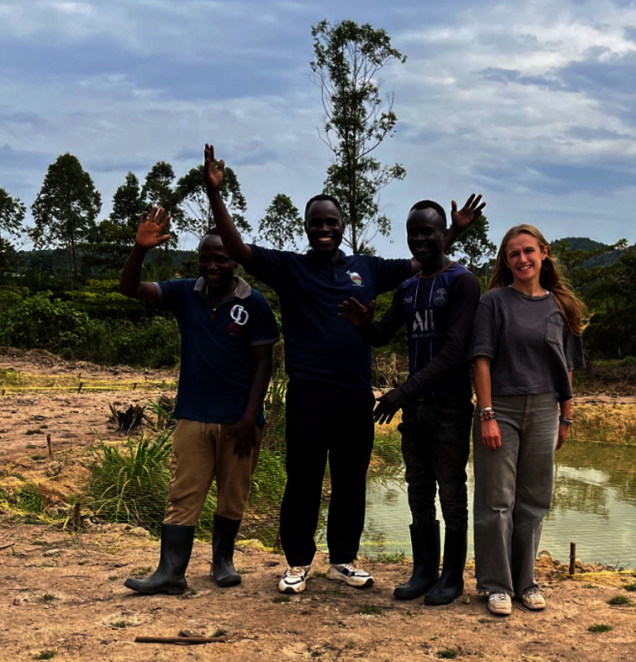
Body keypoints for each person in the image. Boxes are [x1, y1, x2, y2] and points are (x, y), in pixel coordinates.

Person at [201, 144, 483, 594]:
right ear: (307, 228)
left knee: (351, 480)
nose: (325, 229)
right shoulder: (288, 267)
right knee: (303, 479)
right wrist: (216, 194)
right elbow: (235, 248)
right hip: (309, 392)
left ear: (342, 227)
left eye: (332, 222)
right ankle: (296, 562)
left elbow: (425, 257)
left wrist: (455, 232)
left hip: (355, 394)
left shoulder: (367, 268)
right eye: (317, 223)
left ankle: (344, 560)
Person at [119, 207, 279, 595]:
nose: (212, 265)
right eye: (205, 258)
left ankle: (223, 561)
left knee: (233, 495)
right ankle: (170, 571)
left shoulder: (254, 304)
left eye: (220, 258)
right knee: (183, 495)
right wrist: (139, 250)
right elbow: (130, 289)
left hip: (240, 423)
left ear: (234, 261)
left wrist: (249, 418)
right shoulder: (183, 293)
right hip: (193, 416)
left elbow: (264, 367)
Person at [337, 200, 480, 605]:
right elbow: (383, 334)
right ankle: (423, 572)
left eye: (427, 232)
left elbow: (454, 352)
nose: (418, 239)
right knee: (418, 490)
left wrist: (402, 391)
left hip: (450, 406)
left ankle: (451, 578)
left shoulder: (463, 282)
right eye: (412, 232)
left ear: (442, 234)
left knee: (452, 492)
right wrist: (364, 325)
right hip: (417, 409)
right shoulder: (408, 287)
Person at [470, 223, 587, 616]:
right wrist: (486, 414)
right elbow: (481, 359)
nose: (522, 259)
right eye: (513, 254)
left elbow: (567, 367)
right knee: (496, 499)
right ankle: (496, 586)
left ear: (543, 253)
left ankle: (526, 582)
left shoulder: (561, 306)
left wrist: (566, 418)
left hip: (544, 410)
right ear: (506, 261)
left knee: (534, 499)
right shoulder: (494, 302)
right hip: (499, 407)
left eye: (528, 251)